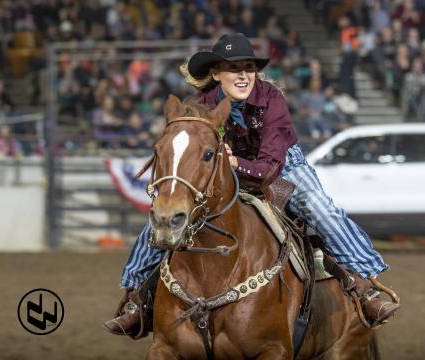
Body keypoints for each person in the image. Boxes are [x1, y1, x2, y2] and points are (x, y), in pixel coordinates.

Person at [103, 33, 400, 336]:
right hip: (220, 168)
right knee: (165, 216)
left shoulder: (272, 99)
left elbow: (271, 164)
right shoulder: (199, 105)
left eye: (248, 68)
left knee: (319, 207)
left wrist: (237, 164)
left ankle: (365, 286)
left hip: (282, 165)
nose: (243, 75)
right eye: (233, 69)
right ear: (216, 74)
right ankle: (136, 298)